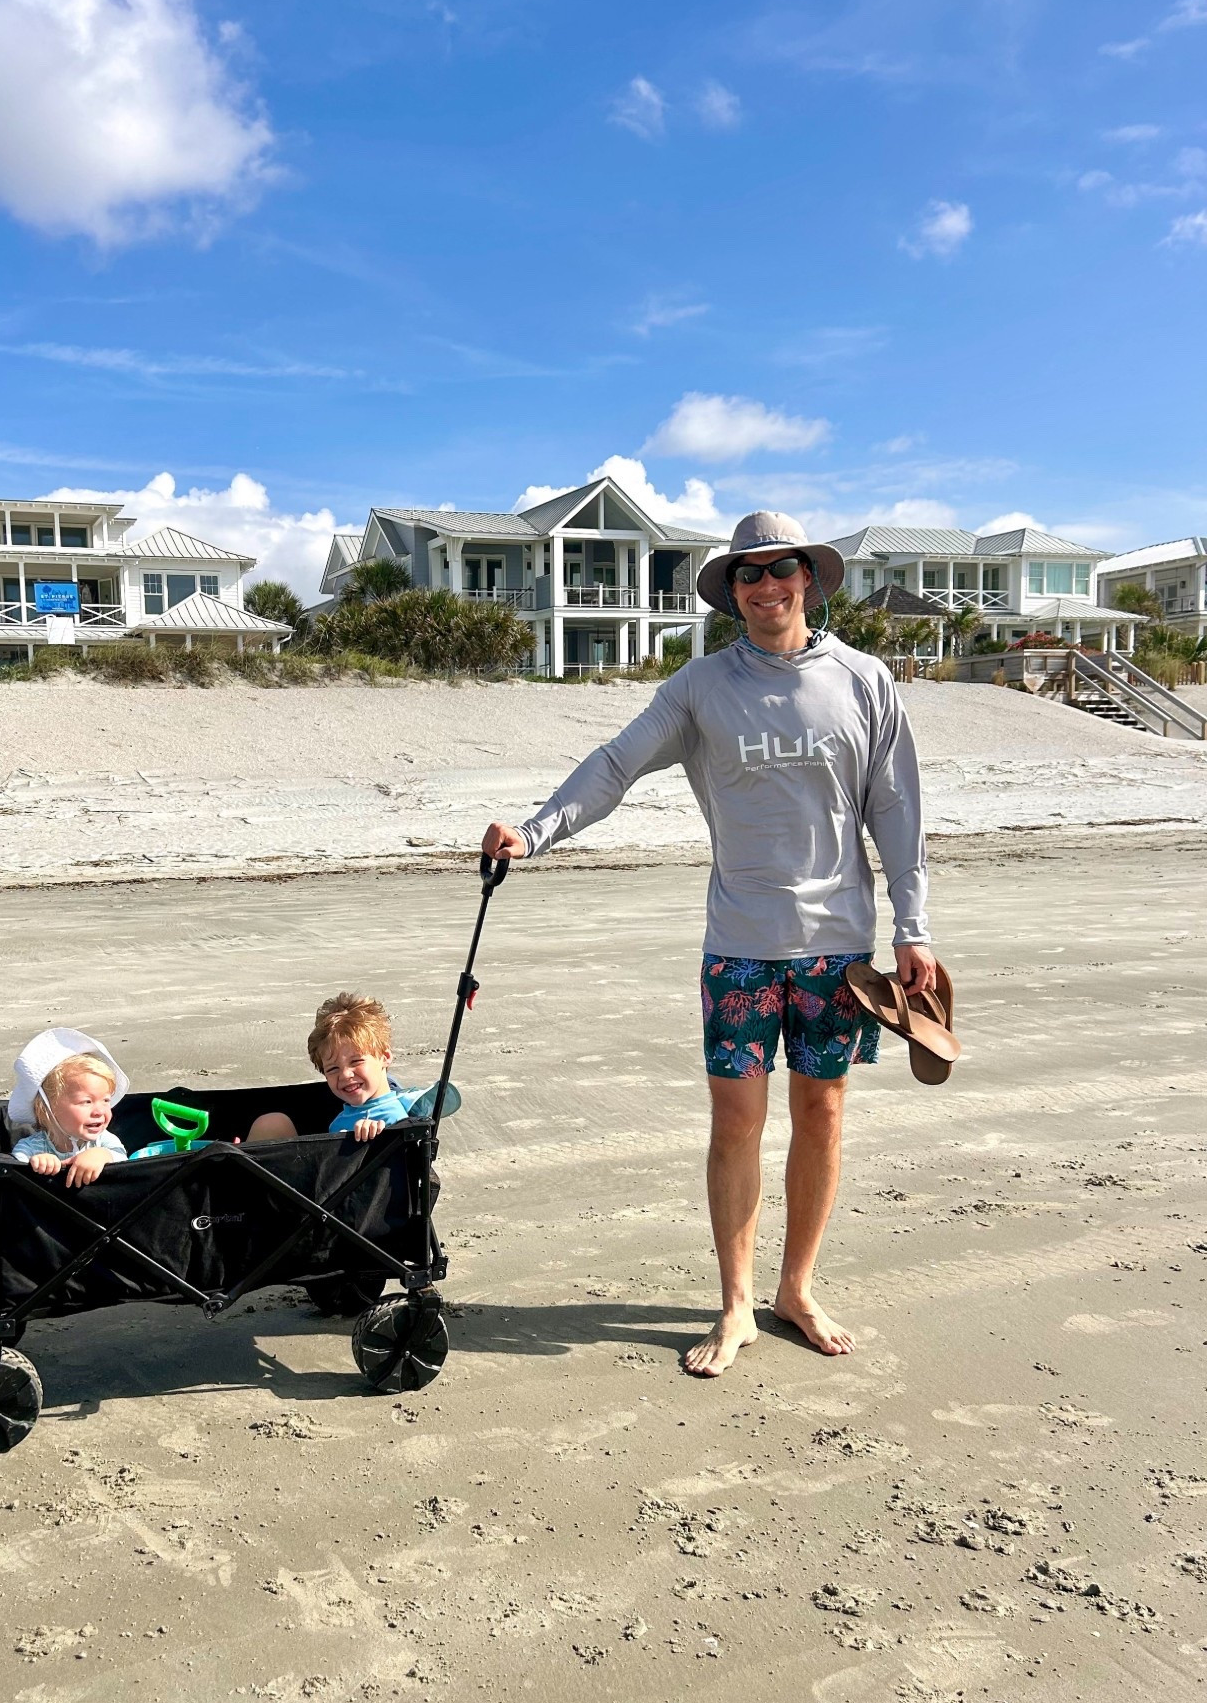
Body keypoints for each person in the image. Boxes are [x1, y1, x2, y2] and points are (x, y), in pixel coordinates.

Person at [482, 511, 938, 1378]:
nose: (769, 587)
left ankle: (795, 1288)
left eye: (783, 571)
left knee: (824, 1112)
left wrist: (913, 928)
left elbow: (899, 813)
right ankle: (736, 1303)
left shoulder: (867, 681)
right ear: (731, 592)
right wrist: (536, 832)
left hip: (839, 948)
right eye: (750, 575)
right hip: (739, 942)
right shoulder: (699, 688)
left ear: (810, 579)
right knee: (737, 1120)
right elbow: (615, 764)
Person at [7, 1028, 130, 1188]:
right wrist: (37, 1162)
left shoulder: (104, 1141)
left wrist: (102, 1154)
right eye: (87, 1102)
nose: (100, 1111)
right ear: (49, 1109)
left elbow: (124, 1161)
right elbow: (16, 1168)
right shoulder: (31, 1147)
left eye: (106, 1100)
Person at [309, 992, 424, 1141]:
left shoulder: (398, 1120)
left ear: (385, 1057)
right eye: (332, 1069)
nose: (345, 1075)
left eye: (356, 1061)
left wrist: (376, 1142)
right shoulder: (338, 1122)